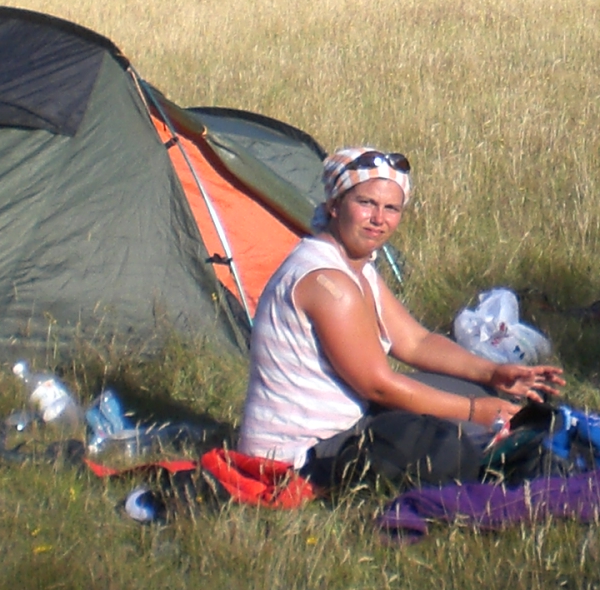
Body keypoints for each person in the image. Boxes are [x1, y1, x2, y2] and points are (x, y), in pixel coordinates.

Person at [239, 146, 563, 486]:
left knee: (484, 392)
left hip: (350, 422)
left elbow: (415, 342)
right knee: (449, 446)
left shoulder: (356, 269)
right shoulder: (328, 283)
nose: (379, 219)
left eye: (391, 208)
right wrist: (474, 411)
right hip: (302, 455)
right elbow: (378, 387)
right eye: (366, 203)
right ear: (335, 205)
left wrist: (494, 372)